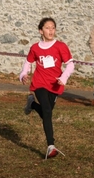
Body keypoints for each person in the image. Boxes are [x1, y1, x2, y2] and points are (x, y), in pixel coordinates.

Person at [19, 17, 74, 159]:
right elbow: (28, 62)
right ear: (40, 30)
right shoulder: (35, 48)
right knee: (47, 111)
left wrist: (63, 78)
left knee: (46, 113)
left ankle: (32, 104)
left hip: (55, 85)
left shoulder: (61, 46)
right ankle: (51, 146)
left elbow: (70, 64)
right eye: (47, 28)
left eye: (53, 28)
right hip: (39, 83)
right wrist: (24, 73)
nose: (51, 30)